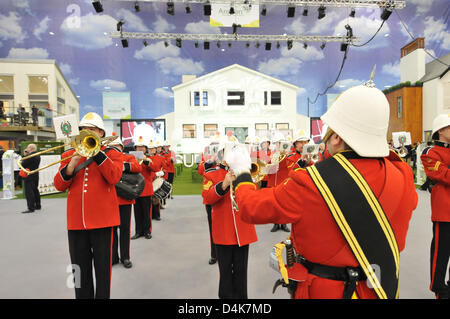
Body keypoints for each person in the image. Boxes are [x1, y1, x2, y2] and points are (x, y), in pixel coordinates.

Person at [226, 78, 418, 299]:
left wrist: (241, 173)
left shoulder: (312, 181)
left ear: (336, 137)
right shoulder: (402, 174)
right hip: (379, 289)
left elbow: (252, 207)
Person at [53, 112, 123, 299]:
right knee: (78, 270)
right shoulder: (69, 153)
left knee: (103, 272)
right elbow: (59, 185)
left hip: (103, 221)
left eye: (91, 130)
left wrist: (97, 153)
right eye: (83, 130)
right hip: (76, 222)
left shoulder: (112, 153)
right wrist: (71, 164)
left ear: (101, 133)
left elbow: (114, 177)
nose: (86, 133)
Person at [202, 135, 257, 299]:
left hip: (242, 230)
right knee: (225, 273)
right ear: (222, 154)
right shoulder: (211, 173)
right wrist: (224, 184)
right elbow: (207, 198)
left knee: (241, 272)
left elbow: (254, 194)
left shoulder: (245, 171)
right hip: (224, 231)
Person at [420, 113, 450, 299]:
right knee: (441, 254)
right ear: (441, 130)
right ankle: (439, 289)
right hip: (444, 212)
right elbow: (444, 175)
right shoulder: (430, 153)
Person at [110, 135, 142, 269]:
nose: (114, 149)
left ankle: (125, 257)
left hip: (124, 199)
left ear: (121, 148)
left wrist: (121, 166)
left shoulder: (128, 157)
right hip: (110, 200)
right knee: (111, 231)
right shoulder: (105, 158)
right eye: (112, 147)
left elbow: (137, 168)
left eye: (116, 146)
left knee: (124, 229)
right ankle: (113, 257)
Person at [132, 137, 157, 240]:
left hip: (146, 190)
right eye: (138, 147)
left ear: (145, 148)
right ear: (135, 148)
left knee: (146, 212)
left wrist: (146, 161)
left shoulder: (148, 159)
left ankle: (147, 231)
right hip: (135, 189)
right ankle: (138, 231)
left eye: (142, 147)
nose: (140, 148)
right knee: (137, 213)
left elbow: (154, 168)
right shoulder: (132, 159)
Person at [267, 132, 290, 233]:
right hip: (273, 182)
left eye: (280, 142)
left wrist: (285, 155)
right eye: (277, 143)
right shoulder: (269, 154)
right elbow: (265, 169)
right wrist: (272, 159)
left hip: (283, 181)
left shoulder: (287, 154)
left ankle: (284, 223)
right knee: (274, 204)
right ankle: (276, 223)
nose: (279, 144)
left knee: (284, 204)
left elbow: (289, 167)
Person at [19, 144, 41, 213]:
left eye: (27, 147)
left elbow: (23, 164)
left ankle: (31, 208)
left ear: (30, 148)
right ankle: (38, 205)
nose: (26, 149)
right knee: (35, 190)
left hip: (29, 175)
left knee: (29, 192)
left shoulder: (30, 156)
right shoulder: (38, 155)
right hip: (35, 175)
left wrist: (25, 155)